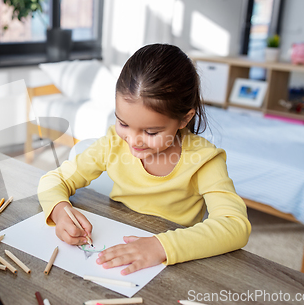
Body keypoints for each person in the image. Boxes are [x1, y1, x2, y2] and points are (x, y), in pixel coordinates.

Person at [37, 44, 251, 275]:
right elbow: (53, 180)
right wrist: (60, 211)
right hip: (117, 245)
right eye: (123, 123)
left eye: (151, 132)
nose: (133, 140)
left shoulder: (204, 160)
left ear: (184, 119)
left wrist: (161, 246)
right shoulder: (112, 143)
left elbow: (235, 226)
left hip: (173, 265)